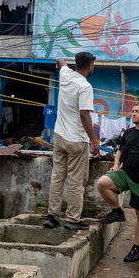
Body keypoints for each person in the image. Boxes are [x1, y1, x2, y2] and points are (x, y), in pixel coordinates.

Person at [44, 52, 99, 231]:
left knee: (57, 177)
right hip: (76, 139)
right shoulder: (85, 86)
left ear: (76, 64)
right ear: (90, 66)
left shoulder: (65, 74)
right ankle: (73, 219)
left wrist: (61, 61)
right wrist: (94, 141)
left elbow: (60, 60)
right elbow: (84, 114)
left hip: (59, 137)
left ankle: (52, 216)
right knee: (76, 180)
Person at [96, 103, 139, 262]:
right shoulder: (128, 133)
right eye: (133, 111)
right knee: (102, 183)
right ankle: (117, 211)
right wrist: (116, 163)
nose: (133, 113)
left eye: (137, 111)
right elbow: (120, 150)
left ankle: (136, 250)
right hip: (125, 173)